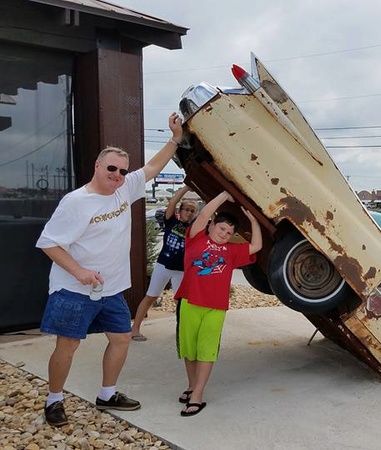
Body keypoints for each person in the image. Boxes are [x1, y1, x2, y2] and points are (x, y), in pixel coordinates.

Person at [36, 112, 185, 427]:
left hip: (111, 288)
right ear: (98, 166)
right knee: (69, 344)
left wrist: (175, 138)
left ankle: (107, 394)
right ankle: (54, 400)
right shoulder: (75, 203)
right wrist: (79, 272)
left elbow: (153, 167)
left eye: (122, 170)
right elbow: (48, 243)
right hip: (74, 289)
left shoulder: (125, 188)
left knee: (121, 337)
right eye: (111, 168)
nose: (117, 175)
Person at [174, 190, 262, 417]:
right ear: (212, 225)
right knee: (189, 351)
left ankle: (197, 395)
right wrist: (224, 195)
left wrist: (252, 221)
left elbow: (256, 247)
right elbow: (203, 215)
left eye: (230, 232)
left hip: (215, 308)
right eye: (222, 229)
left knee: (206, 352)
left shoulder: (231, 251)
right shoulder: (196, 239)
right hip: (190, 302)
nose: (225, 234)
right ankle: (191, 385)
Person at [131, 185, 198, 341]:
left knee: (180, 301)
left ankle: (182, 331)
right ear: (180, 211)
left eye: (192, 210)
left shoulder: (194, 229)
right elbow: (172, 202)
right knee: (150, 297)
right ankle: (135, 329)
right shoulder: (171, 222)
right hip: (163, 266)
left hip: (180, 270)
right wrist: (186, 188)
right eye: (186, 209)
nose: (188, 212)